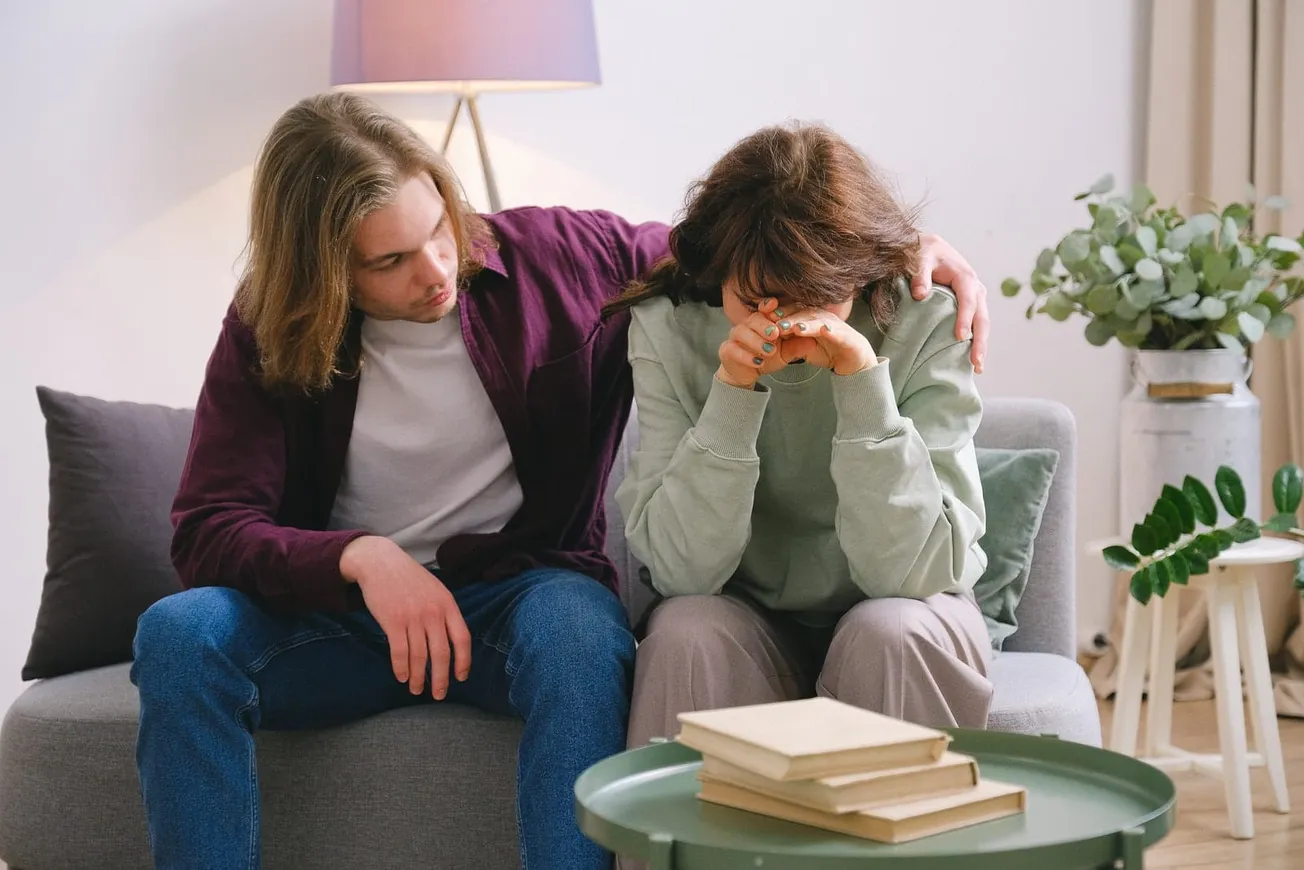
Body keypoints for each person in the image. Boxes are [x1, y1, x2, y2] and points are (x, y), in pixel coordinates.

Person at [128, 91, 991, 870]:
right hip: (347, 622)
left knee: (581, 634)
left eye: (439, 229)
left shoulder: (562, 256)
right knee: (179, 634)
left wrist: (898, 249)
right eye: (387, 262)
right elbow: (207, 527)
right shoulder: (267, 329)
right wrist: (359, 559)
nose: (433, 270)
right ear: (321, 269)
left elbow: (742, 251)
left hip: (518, 602)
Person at [608, 122, 995, 752]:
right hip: (746, 616)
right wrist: (732, 393)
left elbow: (919, 571)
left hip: (909, 606)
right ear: (721, 270)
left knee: (891, 632)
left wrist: (864, 384)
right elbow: (682, 570)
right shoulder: (666, 325)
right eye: (756, 298)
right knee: (686, 632)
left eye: (817, 297)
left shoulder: (928, 316)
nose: (784, 322)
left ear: (858, 273)